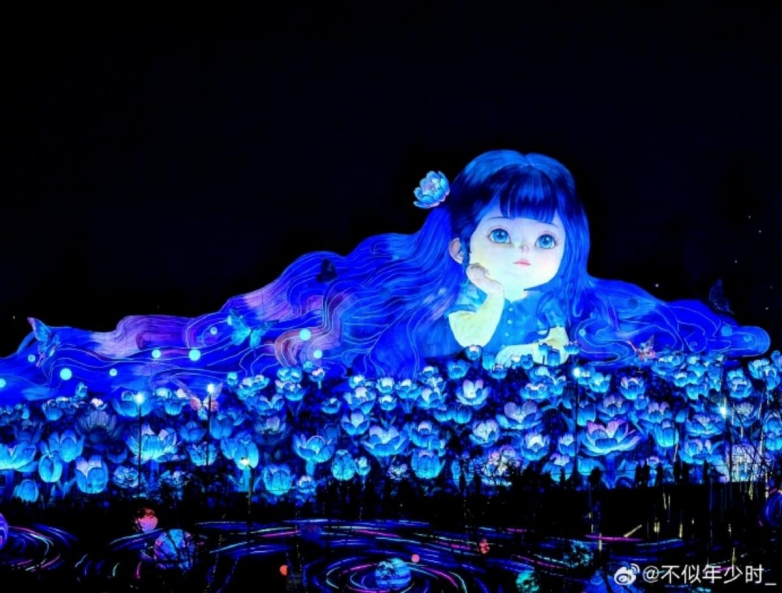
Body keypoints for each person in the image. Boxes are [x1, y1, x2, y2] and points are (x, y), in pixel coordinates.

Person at [0, 150, 770, 404]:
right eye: (503, 234)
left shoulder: (576, 313)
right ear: (462, 244)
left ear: (569, 249)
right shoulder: (421, 310)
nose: (524, 253)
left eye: (544, 239)